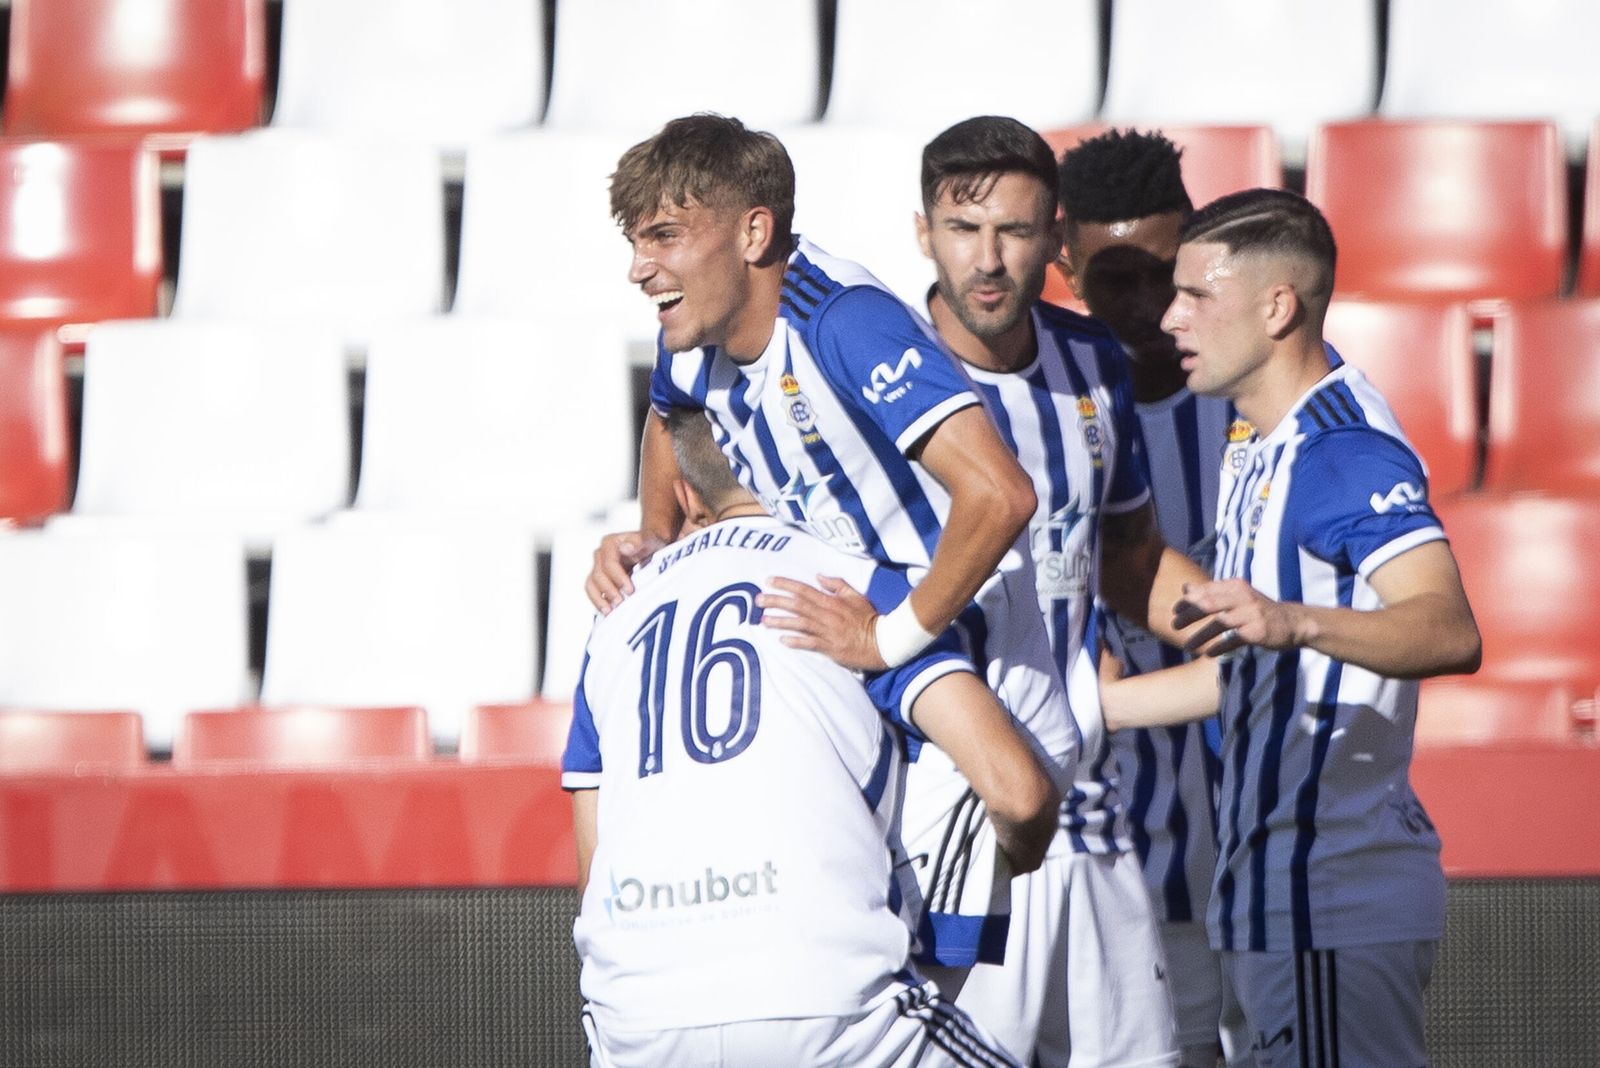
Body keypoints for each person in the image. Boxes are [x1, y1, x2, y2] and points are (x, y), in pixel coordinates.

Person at [585, 113, 1079, 1059]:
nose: (640, 268)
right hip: (868, 683)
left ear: (754, 233)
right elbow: (670, 420)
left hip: (965, 695)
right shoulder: (688, 334)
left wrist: (889, 638)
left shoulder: (843, 319)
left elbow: (1001, 492)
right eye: (635, 241)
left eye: (663, 238)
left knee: (906, 1017)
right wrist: (649, 542)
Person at [821, 114, 1213, 1068]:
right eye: (964, 230)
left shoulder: (1095, 364)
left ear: (1055, 238)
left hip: (1091, 824)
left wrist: (1250, 622)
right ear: (923, 234)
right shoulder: (870, 381)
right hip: (953, 825)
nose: (989, 261)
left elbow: (1124, 558)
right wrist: (649, 537)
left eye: (1015, 231)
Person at [1099, 188, 1482, 1068]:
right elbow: (1260, 665)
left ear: (1277, 307)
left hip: (1327, 902)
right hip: (1274, 903)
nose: (1169, 316)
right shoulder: (1259, 443)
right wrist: (1099, 710)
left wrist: (1295, 620)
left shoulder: (1341, 452)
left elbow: (1449, 627)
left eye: (1196, 293)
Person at [564, 409, 1060, 1067]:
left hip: (636, 1023)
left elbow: (595, 871)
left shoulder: (612, 616)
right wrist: (1022, 854)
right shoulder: (851, 582)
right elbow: (1019, 793)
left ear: (686, 492)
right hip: (830, 1012)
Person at [1056, 128, 1239, 1068]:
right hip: (1129, 858)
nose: (1140, 306)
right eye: (1109, 280)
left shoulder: (1263, 410)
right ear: (1066, 265)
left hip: (1266, 845)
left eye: (1161, 275)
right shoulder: (1044, 426)